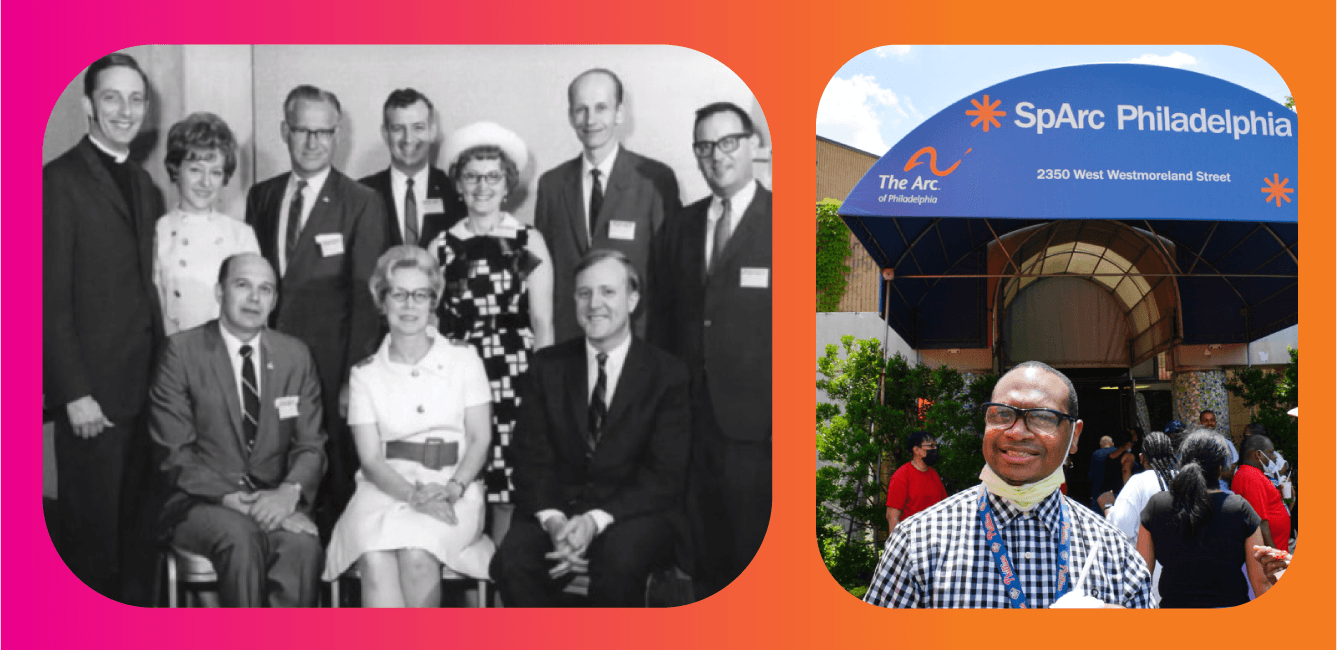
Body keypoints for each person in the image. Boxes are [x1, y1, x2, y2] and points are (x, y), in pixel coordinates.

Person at [490, 250, 691, 606]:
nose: (594, 304)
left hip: (629, 513)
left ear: (632, 299)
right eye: (584, 293)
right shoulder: (546, 367)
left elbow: (665, 476)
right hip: (556, 510)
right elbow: (529, 458)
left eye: (607, 292)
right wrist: (554, 522)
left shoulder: (667, 374)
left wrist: (594, 521)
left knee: (618, 564)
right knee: (513, 563)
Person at [864, 361, 1152, 608]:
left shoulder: (1113, 551)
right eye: (1002, 414)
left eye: (1042, 417)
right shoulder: (917, 542)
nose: (1016, 432)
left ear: (1074, 435)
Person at [43, 53, 165, 604]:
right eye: (112, 97)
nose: (125, 109)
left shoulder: (143, 184)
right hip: (92, 399)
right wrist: (75, 392)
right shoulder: (57, 182)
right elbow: (46, 300)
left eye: (135, 99)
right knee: (92, 549)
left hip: (145, 396)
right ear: (88, 104)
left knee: (139, 544)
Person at [245, 84, 389, 537]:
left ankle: (339, 594)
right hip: (270, 365)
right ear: (284, 132)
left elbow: (368, 302)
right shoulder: (262, 197)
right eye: (302, 131)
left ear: (337, 135)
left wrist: (352, 380)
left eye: (323, 132)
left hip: (330, 370)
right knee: (277, 478)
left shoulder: (362, 202)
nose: (312, 143)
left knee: (335, 482)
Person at [149, 253, 326, 607]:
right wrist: (241, 502)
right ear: (219, 291)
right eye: (242, 285)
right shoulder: (181, 353)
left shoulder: (295, 355)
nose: (254, 298)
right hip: (201, 503)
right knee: (241, 538)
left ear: (275, 301)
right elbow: (175, 453)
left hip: (276, 500)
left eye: (266, 289)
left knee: (303, 546)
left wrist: (289, 493)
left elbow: (311, 445)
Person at [649, 101, 772, 600]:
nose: (716, 155)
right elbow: (660, 320)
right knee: (701, 553)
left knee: (750, 548)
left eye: (727, 142)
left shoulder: (783, 222)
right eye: (704, 146)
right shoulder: (679, 226)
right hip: (689, 420)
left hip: (755, 426)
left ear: (752, 146)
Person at [324, 246, 494, 607]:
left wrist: (450, 489)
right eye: (398, 294)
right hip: (384, 490)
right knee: (375, 557)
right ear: (381, 301)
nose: (409, 305)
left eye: (420, 295)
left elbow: (480, 440)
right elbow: (370, 459)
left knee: (417, 554)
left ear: (434, 301)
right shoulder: (365, 374)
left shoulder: (464, 359)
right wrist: (413, 496)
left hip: (454, 487)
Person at [428, 122, 554, 522]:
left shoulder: (527, 241)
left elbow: (542, 320)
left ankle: (501, 578)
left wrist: (544, 389)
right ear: (458, 185)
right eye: (472, 177)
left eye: (493, 177)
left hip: (515, 373)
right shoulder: (440, 247)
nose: (483, 187)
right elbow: (430, 325)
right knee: (463, 471)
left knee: (508, 484)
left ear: (507, 184)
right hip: (459, 374)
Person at [535, 68, 680, 342]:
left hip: (637, 341)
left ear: (619, 113)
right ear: (570, 116)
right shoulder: (551, 185)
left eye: (601, 108)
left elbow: (668, 273)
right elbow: (543, 275)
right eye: (581, 109)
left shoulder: (654, 180)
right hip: (570, 342)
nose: (590, 120)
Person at [1137, 430, 1271, 608]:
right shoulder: (1240, 508)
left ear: (1183, 463)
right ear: (1221, 468)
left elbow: (1141, 575)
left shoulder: (1156, 506)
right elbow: (1260, 582)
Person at [154, 112, 260, 335]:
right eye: (195, 170)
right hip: (173, 349)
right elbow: (155, 305)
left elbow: (253, 308)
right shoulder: (158, 232)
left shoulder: (241, 235)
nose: (205, 182)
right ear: (176, 170)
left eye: (215, 172)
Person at [360, 89, 466, 247]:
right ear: (385, 134)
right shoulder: (361, 194)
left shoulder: (455, 191)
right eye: (398, 128)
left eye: (418, 127)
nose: (408, 138)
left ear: (432, 131)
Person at [1099, 431, 1176, 606]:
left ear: (1142, 458)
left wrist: (1107, 506)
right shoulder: (1184, 479)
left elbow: (1119, 527)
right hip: (1185, 572)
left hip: (1150, 573)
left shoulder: (1139, 482)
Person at [1233, 433, 1292, 552]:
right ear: (1258, 454)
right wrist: (1274, 557)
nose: (1275, 457)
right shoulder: (1251, 477)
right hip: (1271, 555)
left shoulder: (1253, 474)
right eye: (1270, 452)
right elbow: (1259, 521)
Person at [884, 430, 947, 532]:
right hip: (911, 538)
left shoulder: (934, 475)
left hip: (934, 537)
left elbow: (944, 506)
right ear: (916, 450)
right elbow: (892, 516)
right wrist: (896, 544)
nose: (935, 449)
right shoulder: (901, 476)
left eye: (935, 446)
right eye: (931, 446)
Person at [1199, 408, 1237, 492]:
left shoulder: (1227, 444)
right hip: (1201, 492)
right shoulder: (1195, 444)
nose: (1210, 423)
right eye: (1206, 420)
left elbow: (1232, 472)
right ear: (1200, 423)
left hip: (1222, 490)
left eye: (1212, 420)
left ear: (1215, 422)